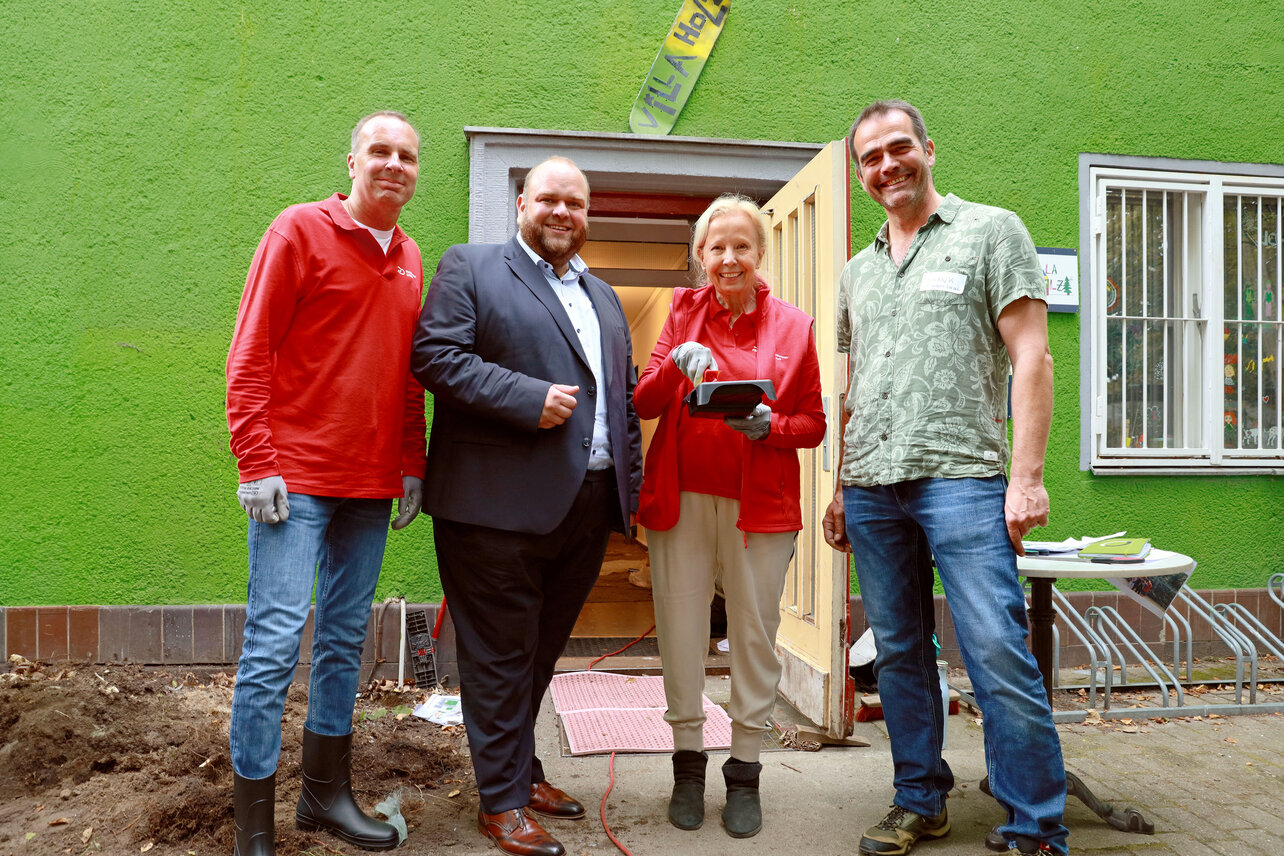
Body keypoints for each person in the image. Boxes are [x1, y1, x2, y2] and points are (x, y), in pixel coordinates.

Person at [821, 100, 1068, 856]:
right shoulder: (856, 272)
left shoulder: (991, 231)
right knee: (897, 654)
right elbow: (853, 384)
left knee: (995, 646)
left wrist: (1025, 478)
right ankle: (919, 800)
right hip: (872, 485)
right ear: (860, 173)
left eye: (900, 148)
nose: (887, 165)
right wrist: (838, 484)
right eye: (871, 157)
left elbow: (1033, 356)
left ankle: (1035, 824)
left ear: (929, 148)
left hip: (962, 476)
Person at [411, 156, 642, 856]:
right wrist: (526, 398)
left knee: (540, 653)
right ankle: (502, 801)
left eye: (574, 202)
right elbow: (434, 356)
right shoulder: (472, 268)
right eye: (548, 199)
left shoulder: (603, 296)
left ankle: (522, 769)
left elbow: (621, 402)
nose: (561, 212)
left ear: (586, 213)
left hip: (586, 505)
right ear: (520, 204)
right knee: (499, 657)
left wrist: (632, 491)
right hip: (492, 511)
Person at [224, 110, 426, 855]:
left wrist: (413, 463)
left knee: (342, 640)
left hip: (369, 486)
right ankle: (253, 830)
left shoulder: (410, 258)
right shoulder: (298, 232)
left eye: (407, 155)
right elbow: (249, 353)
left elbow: (409, 375)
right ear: (351, 161)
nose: (394, 164)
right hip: (296, 483)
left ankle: (324, 798)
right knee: (275, 643)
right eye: (380, 150)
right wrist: (256, 462)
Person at [634, 194, 826, 839]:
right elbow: (644, 400)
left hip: (759, 508)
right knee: (681, 632)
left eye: (741, 245)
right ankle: (688, 768)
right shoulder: (682, 310)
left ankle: (745, 772)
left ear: (760, 253)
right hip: (682, 498)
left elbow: (814, 424)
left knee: (752, 637)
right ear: (700, 256)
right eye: (716, 247)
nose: (728, 258)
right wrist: (677, 371)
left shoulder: (793, 328)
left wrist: (771, 426)